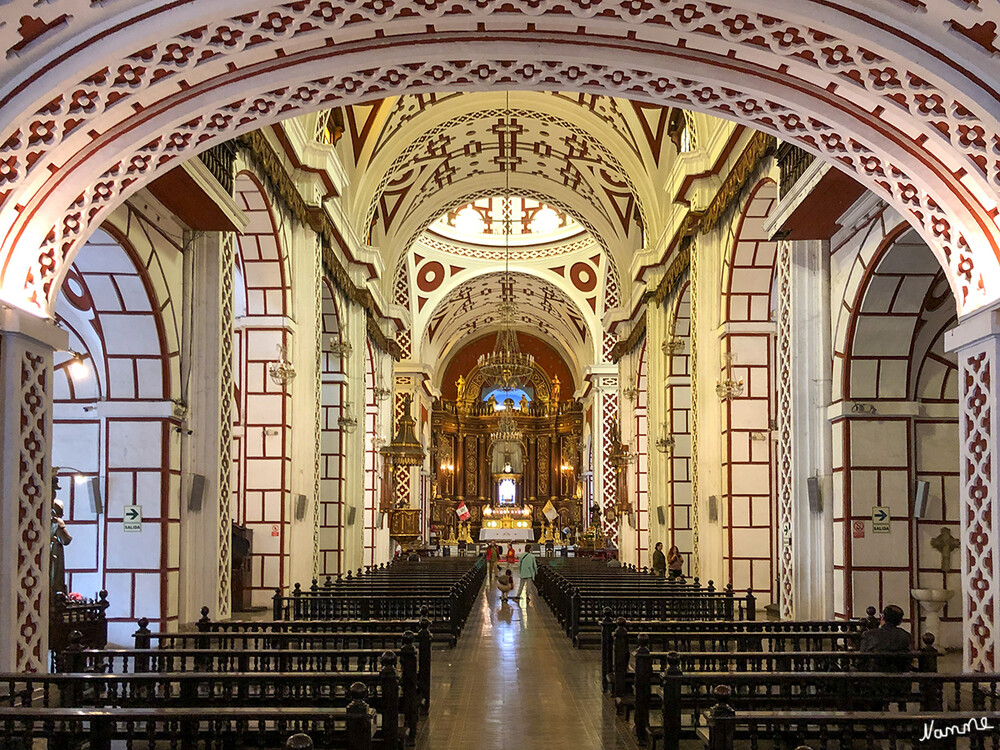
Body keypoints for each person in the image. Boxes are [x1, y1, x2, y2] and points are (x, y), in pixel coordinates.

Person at [859, 604, 912, 672]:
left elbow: (861, 659)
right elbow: (908, 660)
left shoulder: (868, 635)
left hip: (873, 677)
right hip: (899, 677)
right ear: (900, 621)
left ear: (883, 617)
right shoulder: (905, 636)